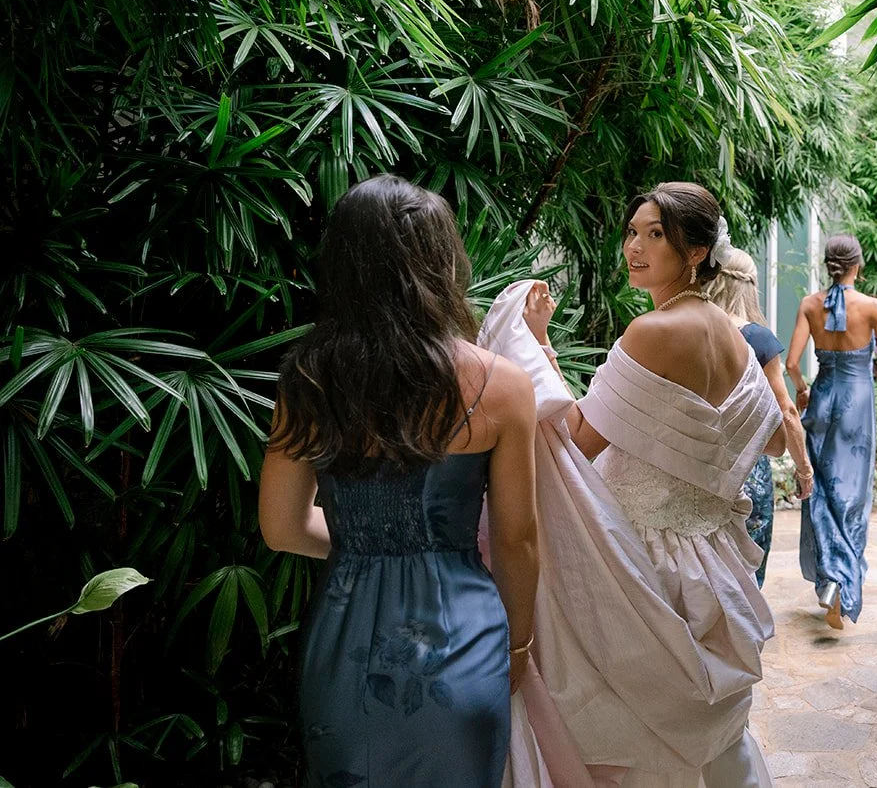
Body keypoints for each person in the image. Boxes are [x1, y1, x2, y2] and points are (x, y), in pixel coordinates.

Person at [498, 181, 784, 788]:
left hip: (640, 558)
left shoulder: (652, 333)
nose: (635, 246)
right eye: (633, 232)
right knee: (700, 734)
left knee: (631, 729)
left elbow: (575, 436)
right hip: (709, 559)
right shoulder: (733, 335)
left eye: (656, 235)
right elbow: (762, 432)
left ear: (696, 252)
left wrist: (537, 342)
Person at [258, 174, 539, 788]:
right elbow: (518, 540)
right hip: (465, 638)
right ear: (441, 263)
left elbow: (280, 529)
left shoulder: (307, 380)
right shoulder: (503, 386)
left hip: (344, 645)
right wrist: (518, 647)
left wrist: (369, 546)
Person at [786, 235, 877, 629]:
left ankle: (829, 580)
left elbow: (790, 363)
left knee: (819, 489)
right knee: (851, 496)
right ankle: (842, 583)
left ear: (827, 264)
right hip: (855, 405)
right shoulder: (870, 307)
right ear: (858, 265)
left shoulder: (809, 305)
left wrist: (801, 389)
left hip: (821, 399)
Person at [703, 244, 813, 585]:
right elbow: (787, 412)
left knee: (706, 569)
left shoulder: (693, 332)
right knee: (747, 572)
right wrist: (804, 469)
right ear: (749, 286)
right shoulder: (758, 338)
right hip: (747, 471)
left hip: (697, 463)